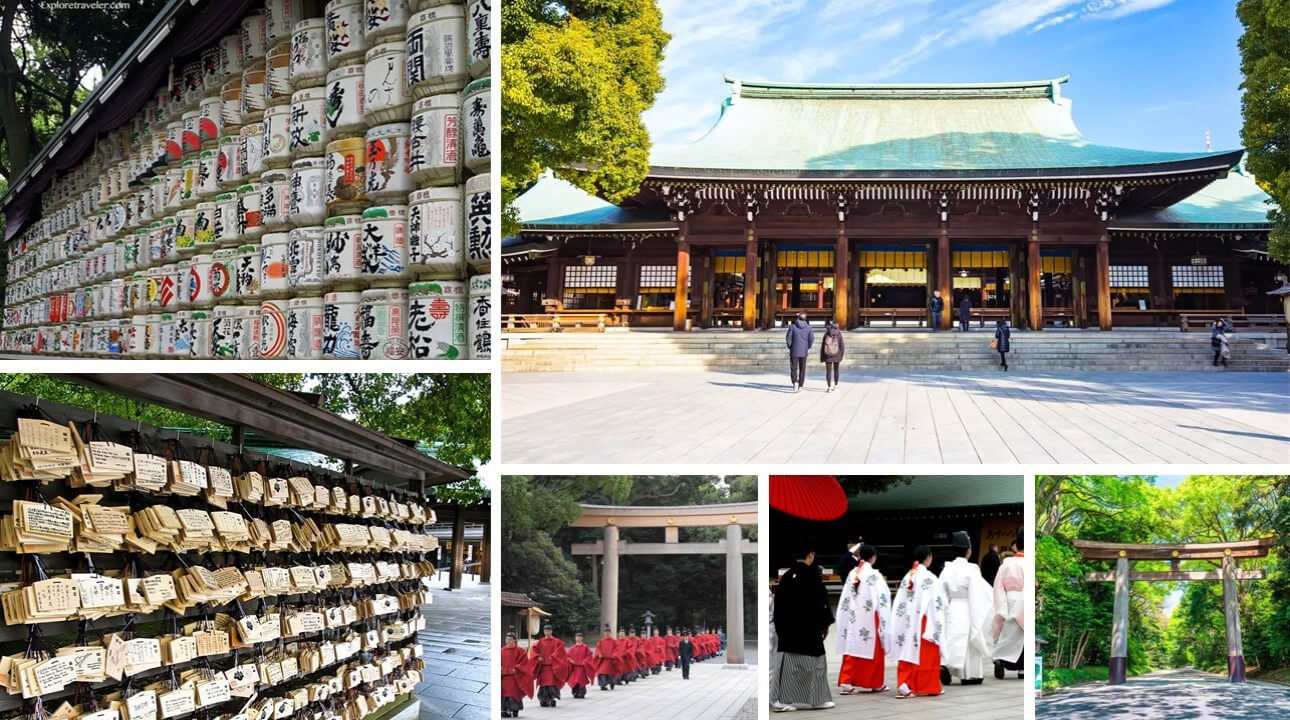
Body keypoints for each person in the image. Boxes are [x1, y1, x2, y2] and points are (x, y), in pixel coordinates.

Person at [771, 541, 835, 711]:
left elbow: (778, 606)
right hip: (809, 630)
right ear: (810, 555)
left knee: (788, 667)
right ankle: (817, 699)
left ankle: (782, 699)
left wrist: (780, 628)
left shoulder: (786, 576)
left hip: (788, 630)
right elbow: (822, 604)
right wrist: (825, 624)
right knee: (816, 664)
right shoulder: (813, 576)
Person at [891, 545, 948, 698]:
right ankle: (929, 685)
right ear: (928, 557)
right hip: (924, 622)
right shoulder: (929, 578)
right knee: (927, 654)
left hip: (907, 620)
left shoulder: (908, 576)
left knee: (907, 650)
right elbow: (938, 602)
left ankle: (905, 683)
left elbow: (899, 602)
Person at [938, 532, 994, 686]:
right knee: (970, 640)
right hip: (968, 606)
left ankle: (947, 666)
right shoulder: (971, 569)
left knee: (953, 637)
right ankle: (970, 674)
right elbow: (980, 592)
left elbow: (940, 594)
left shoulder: (946, 569)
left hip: (952, 607)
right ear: (968, 550)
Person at [835, 544, 890, 694]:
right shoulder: (874, 575)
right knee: (873, 649)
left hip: (853, 616)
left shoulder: (853, 573)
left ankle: (847, 681)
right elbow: (883, 598)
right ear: (873, 557)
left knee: (852, 646)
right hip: (870, 617)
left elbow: (845, 597)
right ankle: (875, 682)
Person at [992, 530, 1026, 680]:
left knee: (1007, 631)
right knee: (1022, 634)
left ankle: (1001, 659)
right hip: (1023, 597)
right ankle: (1022, 668)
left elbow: (998, 586)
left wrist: (1001, 606)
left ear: (1016, 547)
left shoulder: (1006, 564)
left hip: (1008, 598)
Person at [529, 624, 570, 707]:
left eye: (548, 630)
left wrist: (554, 657)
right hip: (543, 667)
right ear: (544, 632)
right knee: (543, 684)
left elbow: (560, 651)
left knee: (551, 683)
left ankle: (552, 698)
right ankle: (543, 700)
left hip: (552, 667)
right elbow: (534, 650)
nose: (547, 632)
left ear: (551, 631)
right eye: (545, 631)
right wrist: (538, 657)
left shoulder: (557, 641)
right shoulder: (540, 641)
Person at [501, 629, 534, 718]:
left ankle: (515, 709)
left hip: (515, 677)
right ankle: (504, 710)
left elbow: (524, 663)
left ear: (515, 640)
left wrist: (517, 668)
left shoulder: (520, 651)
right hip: (504, 677)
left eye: (510, 639)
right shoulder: (501, 650)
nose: (508, 641)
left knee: (513, 694)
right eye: (507, 639)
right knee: (504, 694)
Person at [786, 311, 814, 392]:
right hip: (804, 351)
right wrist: (807, 347)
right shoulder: (809, 328)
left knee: (794, 368)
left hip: (794, 350)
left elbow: (788, 338)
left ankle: (795, 382)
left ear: (798, 318)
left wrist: (790, 346)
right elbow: (811, 339)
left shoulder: (792, 327)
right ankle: (801, 384)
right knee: (802, 368)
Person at [567, 631, 594, 698]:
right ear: (575, 638)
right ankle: (575, 692)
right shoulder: (573, 648)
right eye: (577, 637)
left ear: (582, 638)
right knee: (574, 681)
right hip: (574, 668)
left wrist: (585, 661)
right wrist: (570, 660)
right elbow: (567, 656)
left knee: (581, 681)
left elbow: (589, 655)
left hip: (582, 667)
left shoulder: (585, 647)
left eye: (579, 637)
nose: (578, 638)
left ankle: (582, 693)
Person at [819, 320, 844, 392]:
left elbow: (823, 346)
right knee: (836, 370)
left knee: (828, 371)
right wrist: (841, 355)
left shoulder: (826, 334)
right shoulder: (839, 334)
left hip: (828, 355)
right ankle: (836, 385)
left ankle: (829, 387)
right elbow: (842, 346)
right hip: (837, 354)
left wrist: (822, 357)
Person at [593, 624, 618, 690]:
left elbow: (617, 649)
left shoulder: (614, 641)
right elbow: (598, 648)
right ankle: (603, 685)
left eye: (607, 632)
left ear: (610, 633)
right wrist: (599, 654)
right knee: (601, 672)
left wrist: (614, 655)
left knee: (611, 674)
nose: (606, 634)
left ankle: (612, 683)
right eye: (605, 632)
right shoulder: (601, 641)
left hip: (611, 660)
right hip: (603, 660)